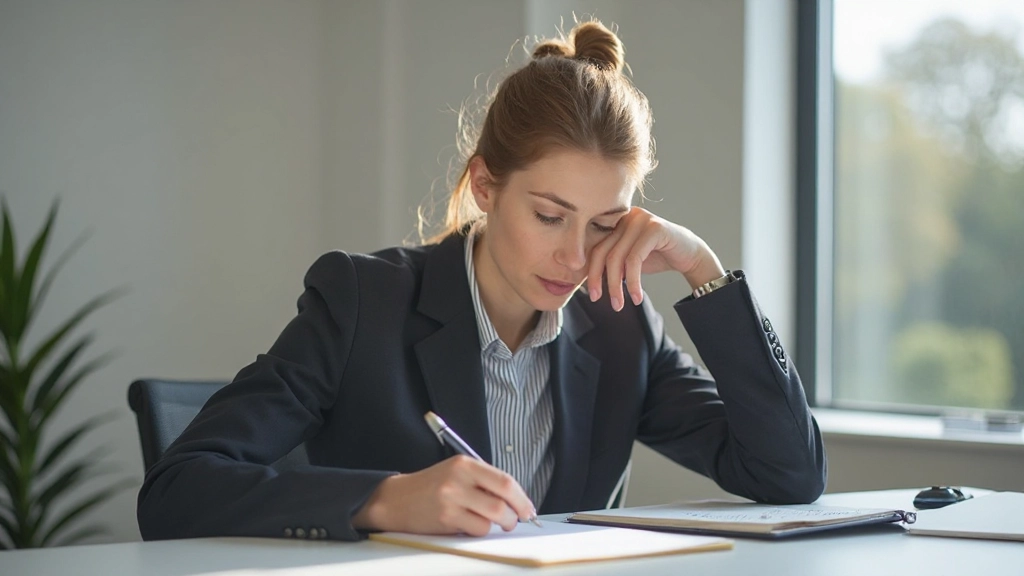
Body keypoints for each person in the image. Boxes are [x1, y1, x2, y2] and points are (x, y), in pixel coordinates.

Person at [137, 19, 826, 543]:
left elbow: (787, 474)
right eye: (550, 216)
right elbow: (176, 489)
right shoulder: (362, 303)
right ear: (485, 186)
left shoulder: (620, 325)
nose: (575, 257)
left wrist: (705, 271)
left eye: (604, 225)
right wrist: (382, 500)